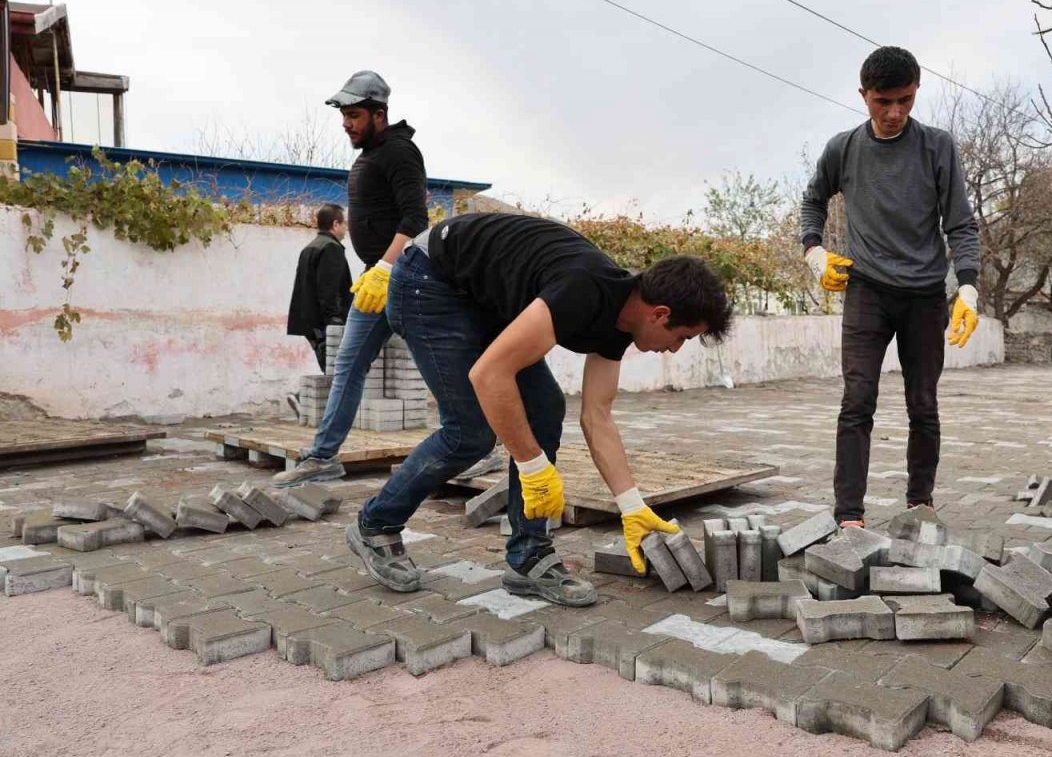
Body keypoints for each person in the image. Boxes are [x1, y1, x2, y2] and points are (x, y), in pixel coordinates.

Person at [345, 212, 734, 606]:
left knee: (545, 408)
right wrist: (532, 467)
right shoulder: (582, 289)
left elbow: (597, 416)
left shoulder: (619, 320)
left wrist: (632, 507)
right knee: (470, 431)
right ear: (660, 313)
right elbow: (489, 375)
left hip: (479, 296)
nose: (675, 349)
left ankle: (528, 558)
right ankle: (376, 525)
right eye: (682, 337)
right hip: (428, 280)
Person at [798, 46, 981, 530]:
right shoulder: (843, 148)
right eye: (883, 102)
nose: (894, 112)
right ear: (864, 96)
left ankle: (921, 505)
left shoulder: (937, 147)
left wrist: (967, 288)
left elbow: (960, 224)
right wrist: (813, 251)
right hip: (867, 294)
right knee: (857, 402)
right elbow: (813, 201)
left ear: (916, 91)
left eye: (905, 100)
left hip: (924, 297)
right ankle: (849, 516)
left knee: (924, 405)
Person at [273, 70, 430, 486]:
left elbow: (416, 219)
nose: (346, 122)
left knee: (444, 365)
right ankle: (323, 456)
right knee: (349, 364)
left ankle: (479, 447)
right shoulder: (370, 155)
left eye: (355, 114)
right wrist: (375, 272)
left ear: (379, 115)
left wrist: (385, 267)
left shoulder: (400, 152)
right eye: (344, 114)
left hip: (406, 276)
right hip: (375, 279)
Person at [286, 203, 353, 372]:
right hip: (325, 324)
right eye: (344, 223)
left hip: (310, 323)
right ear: (335, 224)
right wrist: (335, 322)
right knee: (338, 371)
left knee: (331, 369)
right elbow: (328, 289)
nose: (346, 228)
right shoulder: (331, 248)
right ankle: (301, 397)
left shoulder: (310, 247)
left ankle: (304, 397)